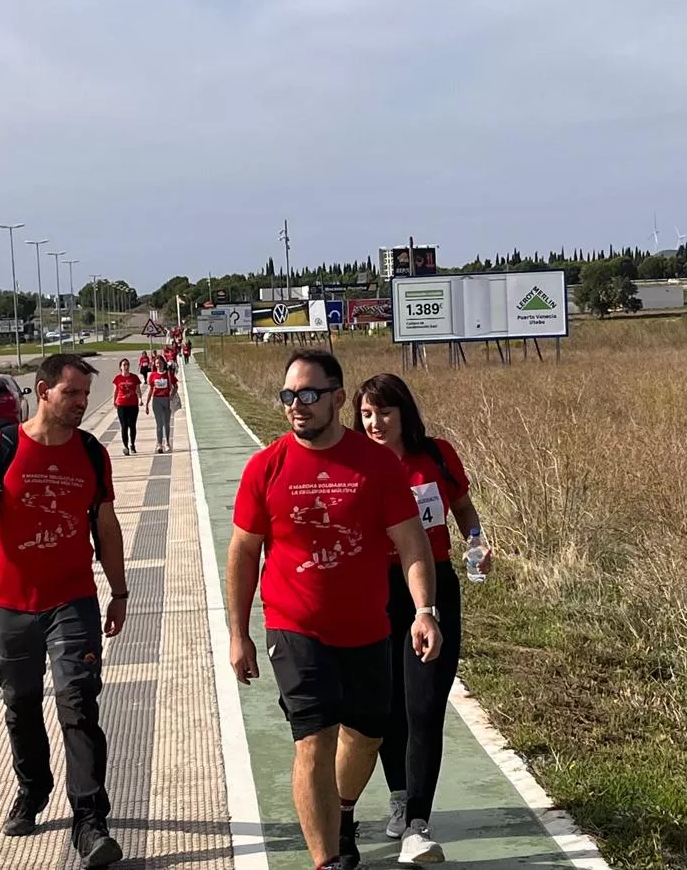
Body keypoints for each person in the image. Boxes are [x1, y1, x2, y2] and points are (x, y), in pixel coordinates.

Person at [227, 350, 443, 870]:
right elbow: (243, 552)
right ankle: (328, 860)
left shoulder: (375, 465)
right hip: (293, 625)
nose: (297, 406)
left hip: (369, 628)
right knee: (313, 739)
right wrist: (239, 633)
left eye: (308, 395)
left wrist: (424, 610)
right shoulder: (266, 467)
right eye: (288, 397)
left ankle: (343, 811)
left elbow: (412, 544)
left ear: (338, 398)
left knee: (366, 735)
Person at [0, 353, 130, 869]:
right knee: (21, 701)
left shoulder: (93, 454)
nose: (81, 403)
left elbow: (107, 525)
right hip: (10, 603)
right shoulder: (1, 449)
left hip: (72, 599)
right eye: (72, 393)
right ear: (43, 391)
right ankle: (33, 789)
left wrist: (118, 591)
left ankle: (90, 820)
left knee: (78, 701)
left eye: (84, 395)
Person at [353, 374, 492, 864]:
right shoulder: (355, 461)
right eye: (367, 413)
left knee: (426, 705)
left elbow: (463, 508)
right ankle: (398, 796)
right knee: (387, 705)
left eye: (385, 412)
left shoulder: (436, 454)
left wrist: (475, 542)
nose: (375, 422)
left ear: (405, 413)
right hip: (374, 593)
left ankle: (418, 823)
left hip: (433, 590)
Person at [145, 354, 178, 453]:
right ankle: (159, 444)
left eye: (160, 363)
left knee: (166, 423)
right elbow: (151, 390)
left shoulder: (168, 374)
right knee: (159, 424)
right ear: (155, 365)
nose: (158, 365)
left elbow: (175, 386)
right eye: (157, 363)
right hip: (156, 400)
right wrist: (147, 403)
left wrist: (171, 395)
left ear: (163, 363)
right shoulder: (153, 375)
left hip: (166, 400)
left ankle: (167, 443)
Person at [111, 358, 142, 456]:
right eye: (124, 365)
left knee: (132, 425)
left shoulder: (134, 377)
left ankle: (132, 444)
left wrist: (140, 399)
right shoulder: (118, 378)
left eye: (127, 364)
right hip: (121, 405)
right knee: (124, 426)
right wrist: (114, 401)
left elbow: (138, 390)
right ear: (120, 367)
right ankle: (125, 447)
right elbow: (115, 390)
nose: (126, 366)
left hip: (133, 404)